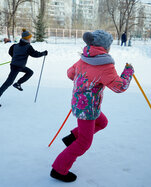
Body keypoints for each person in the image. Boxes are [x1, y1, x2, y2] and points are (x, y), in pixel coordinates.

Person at [50, 30, 134, 182]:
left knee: (102, 122)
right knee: (84, 143)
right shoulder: (105, 65)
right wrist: (128, 71)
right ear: (105, 47)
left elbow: (70, 73)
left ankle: (72, 137)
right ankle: (58, 169)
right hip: (87, 110)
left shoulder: (84, 58)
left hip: (80, 104)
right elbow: (119, 87)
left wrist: (84, 81)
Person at [0, 29, 48, 107]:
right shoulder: (28, 46)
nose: (30, 39)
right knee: (9, 82)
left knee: (30, 72)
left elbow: (10, 52)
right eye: (30, 38)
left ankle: (18, 83)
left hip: (17, 65)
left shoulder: (15, 45)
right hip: (17, 67)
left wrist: (15, 57)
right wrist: (43, 53)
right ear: (27, 39)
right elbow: (35, 54)